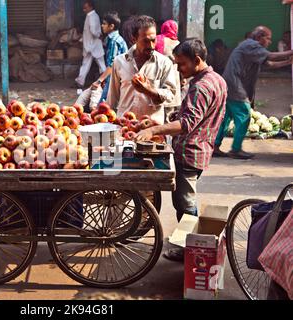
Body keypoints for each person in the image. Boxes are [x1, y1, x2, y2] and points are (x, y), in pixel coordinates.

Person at [134, 39, 228, 261]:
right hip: (200, 148)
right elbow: (193, 115)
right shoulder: (216, 80)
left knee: (185, 205)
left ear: (197, 60)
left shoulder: (202, 86)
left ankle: (191, 249)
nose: (177, 69)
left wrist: (155, 128)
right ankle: (192, 243)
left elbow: (188, 124)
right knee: (187, 201)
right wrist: (162, 121)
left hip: (190, 152)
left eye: (181, 64)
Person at [214, 26, 293, 159]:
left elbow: (269, 64)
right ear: (259, 37)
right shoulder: (251, 45)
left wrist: (288, 62)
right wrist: (291, 51)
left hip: (229, 84)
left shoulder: (252, 49)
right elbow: (271, 55)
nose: (269, 42)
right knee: (244, 113)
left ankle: (215, 146)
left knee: (226, 117)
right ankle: (236, 149)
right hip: (234, 84)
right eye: (267, 38)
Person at [106, 15, 179, 125]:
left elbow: (170, 95)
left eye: (153, 40)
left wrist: (148, 91)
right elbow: (112, 98)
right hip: (124, 127)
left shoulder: (164, 63)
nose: (151, 46)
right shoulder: (119, 62)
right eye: (146, 41)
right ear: (134, 39)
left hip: (151, 130)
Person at [75, 11, 128, 111]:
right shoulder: (113, 39)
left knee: (103, 105)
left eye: (104, 24)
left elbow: (112, 64)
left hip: (117, 77)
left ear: (111, 26)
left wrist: (100, 80)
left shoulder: (114, 41)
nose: (102, 26)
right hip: (115, 76)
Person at [73, 0, 106, 89]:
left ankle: (106, 81)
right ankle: (80, 82)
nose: (84, 9)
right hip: (92, 45)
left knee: (96, 64)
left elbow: (93, 31)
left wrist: (98, 35)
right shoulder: (91, 16)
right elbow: (88, 32)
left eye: (85, 7)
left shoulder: (92, 16)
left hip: (93, 45)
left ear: (91, 7)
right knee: (97, 64)